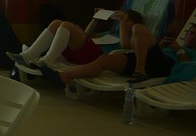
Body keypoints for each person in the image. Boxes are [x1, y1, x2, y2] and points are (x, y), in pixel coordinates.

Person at [44, 9, 174, 84]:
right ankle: (65, 76)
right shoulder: (115, 34)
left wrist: (122, 21)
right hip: (130, 59)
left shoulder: (141, 31)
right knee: (104, 60)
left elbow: (125, 45)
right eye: (123, 20)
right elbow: (87, 35)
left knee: (137, 29)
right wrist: (96, 18)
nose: (124, 23)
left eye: (127, 20)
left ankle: (140, 71)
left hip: (154, 61)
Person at [6, 15, 104, 70]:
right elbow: (87, 33)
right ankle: (27, 56)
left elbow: (117, 48)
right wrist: (95, 20)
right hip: (77, 51)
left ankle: (47, 61)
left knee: (66, 25)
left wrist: (120, 20)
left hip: (95, 56)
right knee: (56, 23)